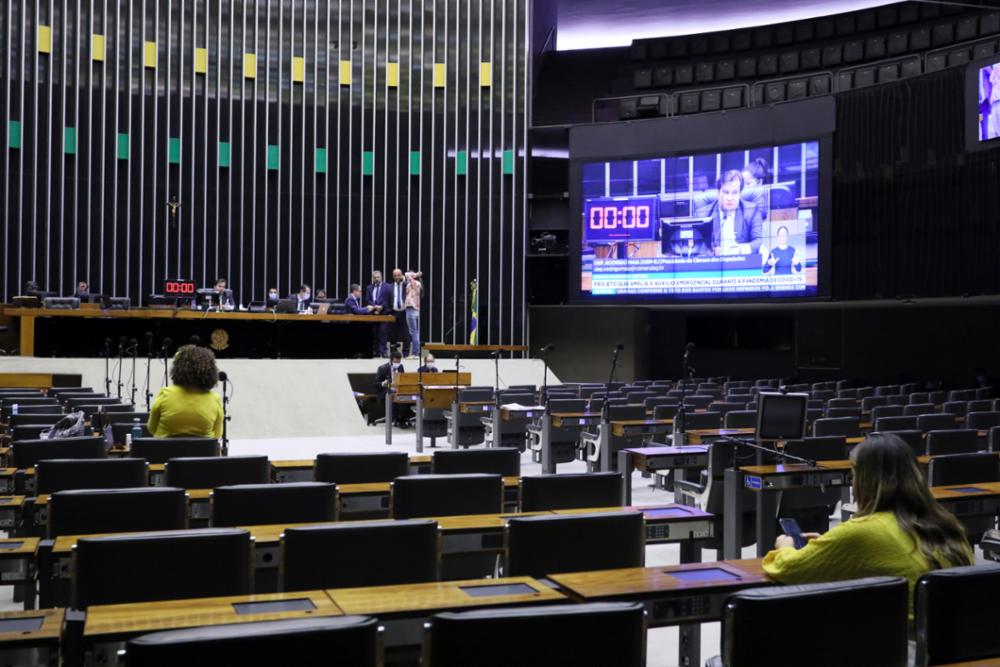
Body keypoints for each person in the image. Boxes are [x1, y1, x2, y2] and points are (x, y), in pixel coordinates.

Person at [763, 433, 973, 613]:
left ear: (866, 480)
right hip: (957, 639)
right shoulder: (946, 524)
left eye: (854, 475)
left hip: (905, 648)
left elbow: (787, 569)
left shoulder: (861, 532)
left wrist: (785, 547)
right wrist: (833, 546)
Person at [147, 345, 225, 439]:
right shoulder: (214, 399)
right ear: (211, 371)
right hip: (202, 452)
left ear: (178, 369)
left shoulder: (165, 393)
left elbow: (151, 428)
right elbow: (218, 434)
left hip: (165, 452)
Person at [709, 171, 763, 256]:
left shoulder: (751, 211)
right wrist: (710, 252)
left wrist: (743, 249)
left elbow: (758, 241)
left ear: (740, 194)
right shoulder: (704, 215)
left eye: (734, 193)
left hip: (741, 264)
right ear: (718, 193)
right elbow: (697, 247)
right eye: (726, 192)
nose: (730, 198)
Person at [374, 351, 410, 427]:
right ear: (391, 360)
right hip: (386, 391)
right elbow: (376, 383)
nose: (397, 363)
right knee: (391, 394)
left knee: (406, 396)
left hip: (398, 390)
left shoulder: (400, 367)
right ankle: (399, 419)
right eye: (395, 361)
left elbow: (403, 379)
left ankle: (401, 418)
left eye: (399, 361)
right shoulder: (382, 368)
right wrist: (383, 383)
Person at [388, 269, 412, 357]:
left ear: (402, 275)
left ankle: (406, 353)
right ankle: (394, 353)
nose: (397, 277)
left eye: (399, 275)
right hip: (393, 312)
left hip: (404, 312)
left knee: (406, 333)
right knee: (392, 334)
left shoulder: (407, 285)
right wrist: (388, 312)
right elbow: (386, 300)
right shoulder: (389, 286)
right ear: (393, 276)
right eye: (395, 275)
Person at [365, 271, 389, 356]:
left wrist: (381, 307)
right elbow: (367, 299)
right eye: (374, 277)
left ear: (381, 277)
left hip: (383, 313)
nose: (376, 279)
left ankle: (383, 351)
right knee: (374, 333)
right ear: (372, 278)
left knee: (383, 332)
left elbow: (388, 299)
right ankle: (376, 352)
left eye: (378, 277)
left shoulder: (387, 286)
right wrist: (375, 307)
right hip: (373, 312)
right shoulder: (369, 287)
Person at [403, 270, 423, 358]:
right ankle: (415, 352)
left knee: (414, 332)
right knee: (414, 331)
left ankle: (415, 353)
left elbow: (407, 274)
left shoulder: (416, 283)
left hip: (412, 308)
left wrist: (414, 274)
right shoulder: (413, 283)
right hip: (412, 308)